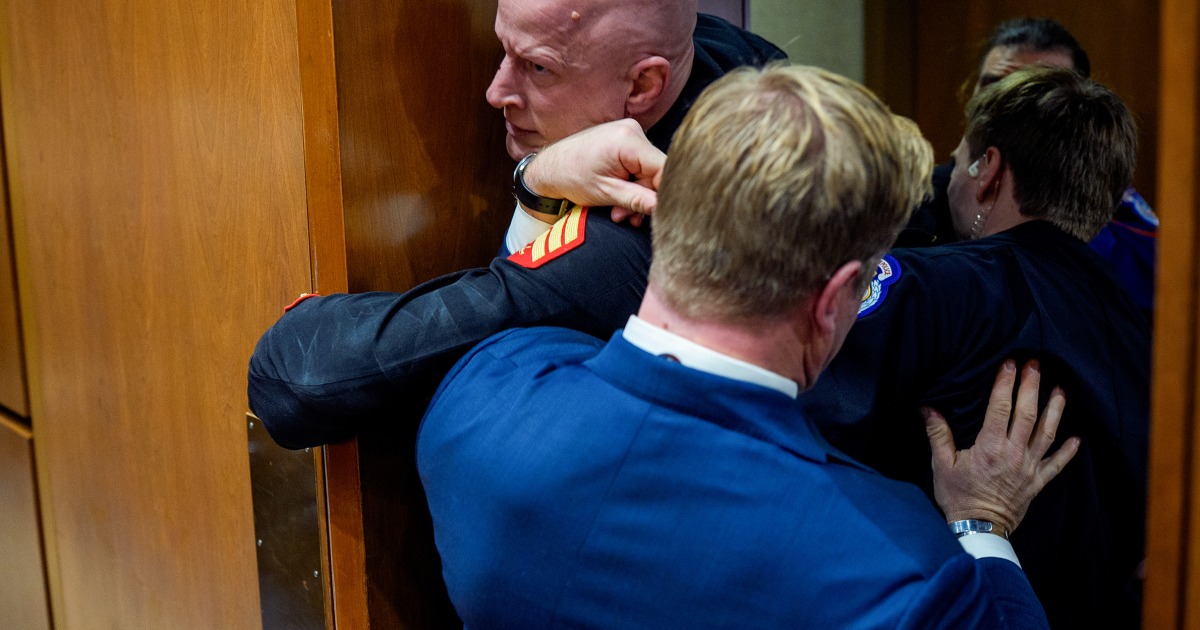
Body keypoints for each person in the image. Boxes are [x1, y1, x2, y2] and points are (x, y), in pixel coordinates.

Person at [417, 64, 1076, 628]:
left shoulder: (477, 391)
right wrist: (981, 525)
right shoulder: (899, 572)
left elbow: (523, 298)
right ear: (832, 299)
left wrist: (534, 179)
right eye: (874, 276)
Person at [248, 0, 783, 448]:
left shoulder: (629, 238)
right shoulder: (734, 64)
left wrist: (538, 184)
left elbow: (295, 380)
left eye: (538, 67)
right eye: (504, 49)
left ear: (644, 85)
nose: (496, 90)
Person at [800, 65, 1149, 628]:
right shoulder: (1152, 346)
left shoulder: (927, 287)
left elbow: (792, 419)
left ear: (988, 172)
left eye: (960, 160)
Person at [898, 17, 1158, 315]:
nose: (1011, 104)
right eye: (994, 87)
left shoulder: (1129, 235)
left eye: (1041, 89)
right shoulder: (908, 205)